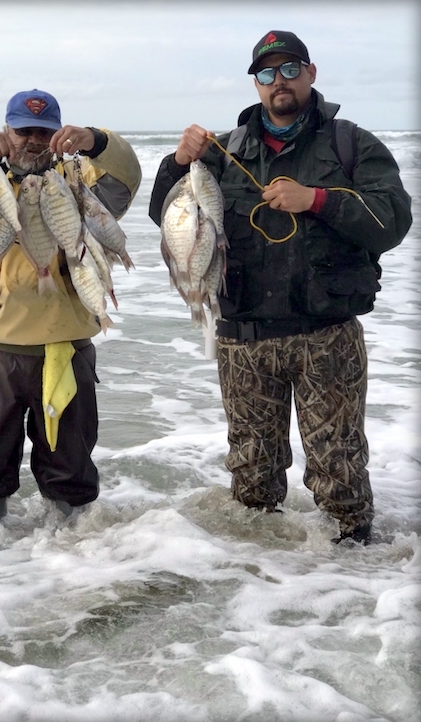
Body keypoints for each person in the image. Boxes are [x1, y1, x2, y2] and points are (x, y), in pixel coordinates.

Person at [149, 31, 412, 545]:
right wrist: (178, 162)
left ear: (311, 73)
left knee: (340, 475)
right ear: (256, 84)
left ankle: (354, 585)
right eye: (267, 74)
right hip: (243, 338)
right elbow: (168, 214)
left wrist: (317, 199)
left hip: (326, 336)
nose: (279, 83)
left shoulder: (351, 143)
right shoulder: (223, 152)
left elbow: (393, 221)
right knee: (250, 482)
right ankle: (260, 586)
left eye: (290, 69)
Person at [0, 89, 142, 526]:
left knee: (70, 473)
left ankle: (63, 561)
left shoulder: (77, 186)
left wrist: (96, 141)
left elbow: (128, 177)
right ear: (8, 131)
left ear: (59, 133)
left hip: (65, 353)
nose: (33, 140)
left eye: (44, 132)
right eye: (23, 130)